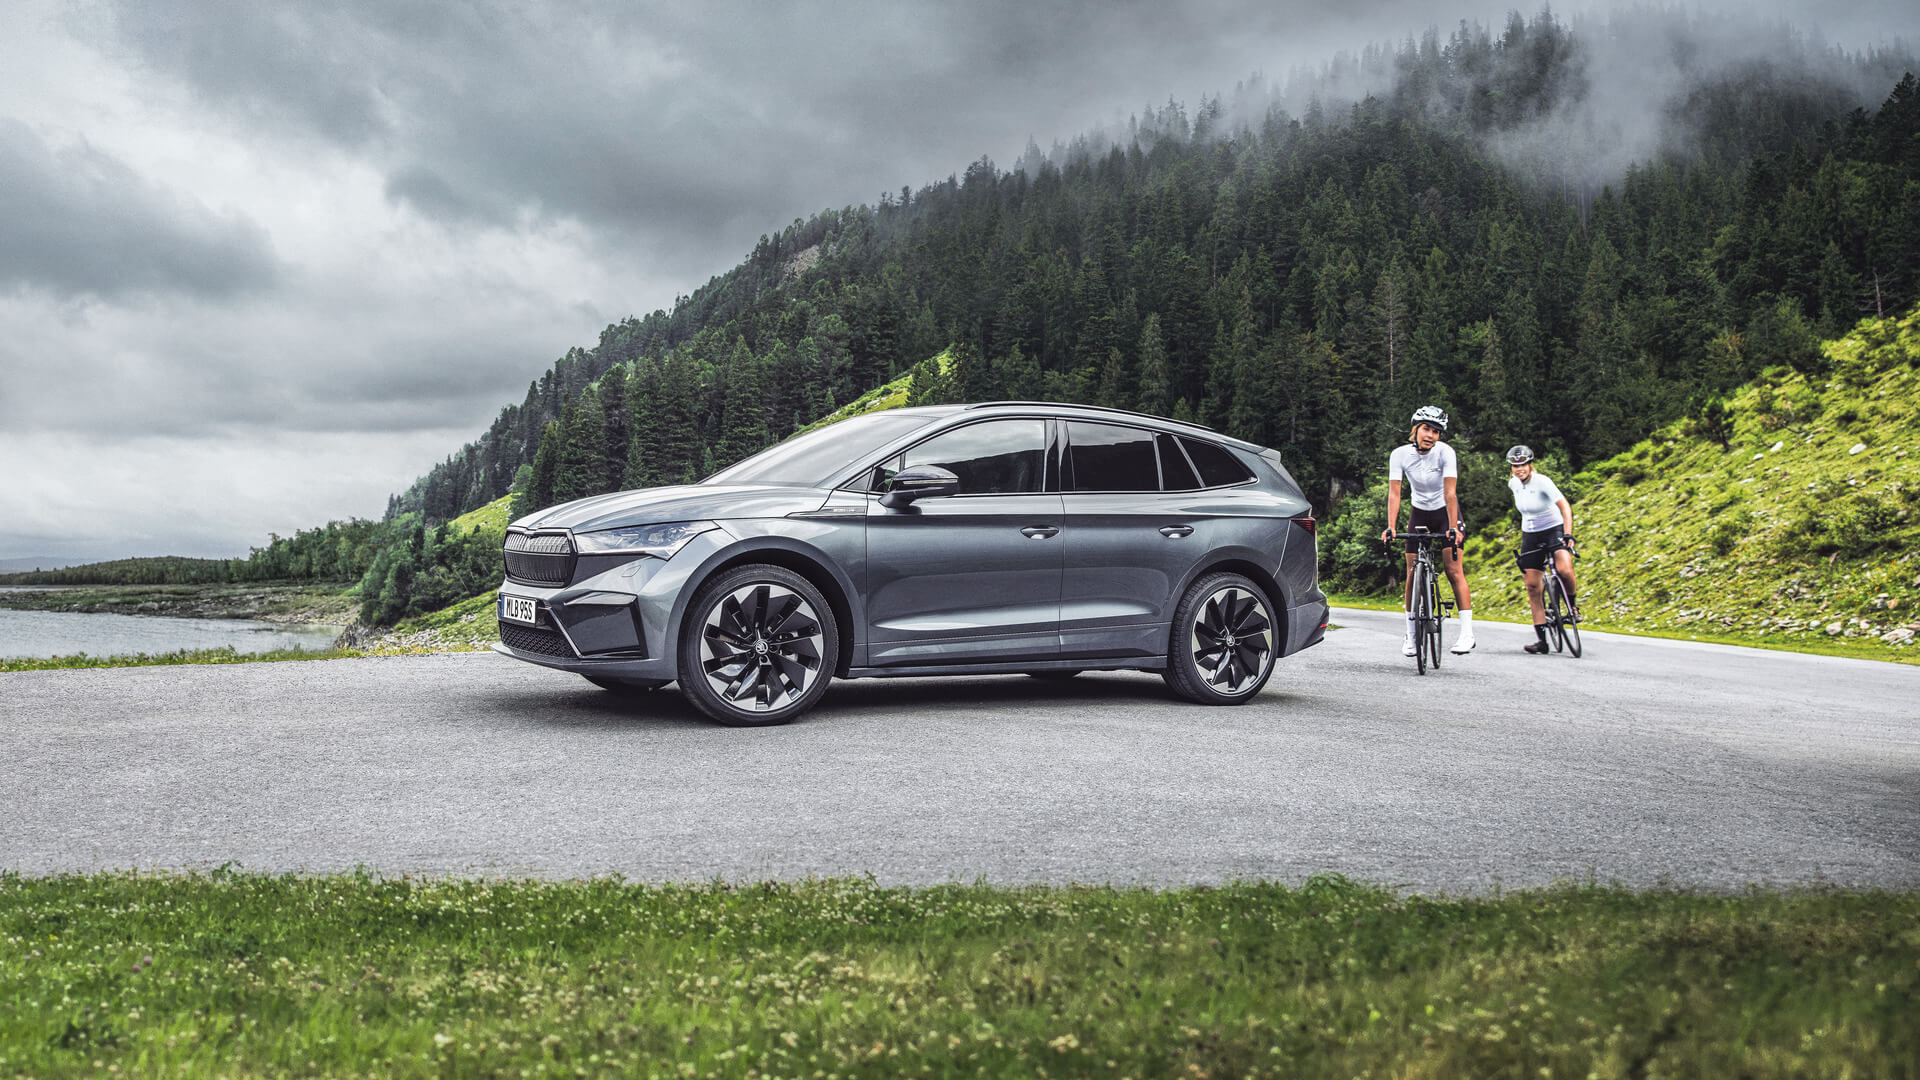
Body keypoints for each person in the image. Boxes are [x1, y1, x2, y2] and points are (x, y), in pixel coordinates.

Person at [1380, 405, 1475, 656]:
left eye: (1436, 431)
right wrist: (1391, 526)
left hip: (1445, 513)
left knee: (1454, 571)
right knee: (1412, 573)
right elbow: (1395, 493)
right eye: (1426, 429)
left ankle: (1467, 634)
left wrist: (1454, 528)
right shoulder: (1399, 454)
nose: (1431, 435)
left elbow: (1451, 493)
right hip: (1419, 512)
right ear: (1416, 429)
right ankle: (1411, 636)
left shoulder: (1446, 453)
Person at [1505, 445, 1578, 654]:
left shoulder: (1543, 481)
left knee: (1564, 569)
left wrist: (1568, 533)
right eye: (1515, 466)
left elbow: (1565, 506)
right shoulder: (1513, 484)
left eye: (1523, 465)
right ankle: (1542, 640)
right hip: (1530, 533)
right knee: (1532, 587)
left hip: (1553, 529)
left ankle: (1572, 607)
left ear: (1530, 464)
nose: (1519, 469)